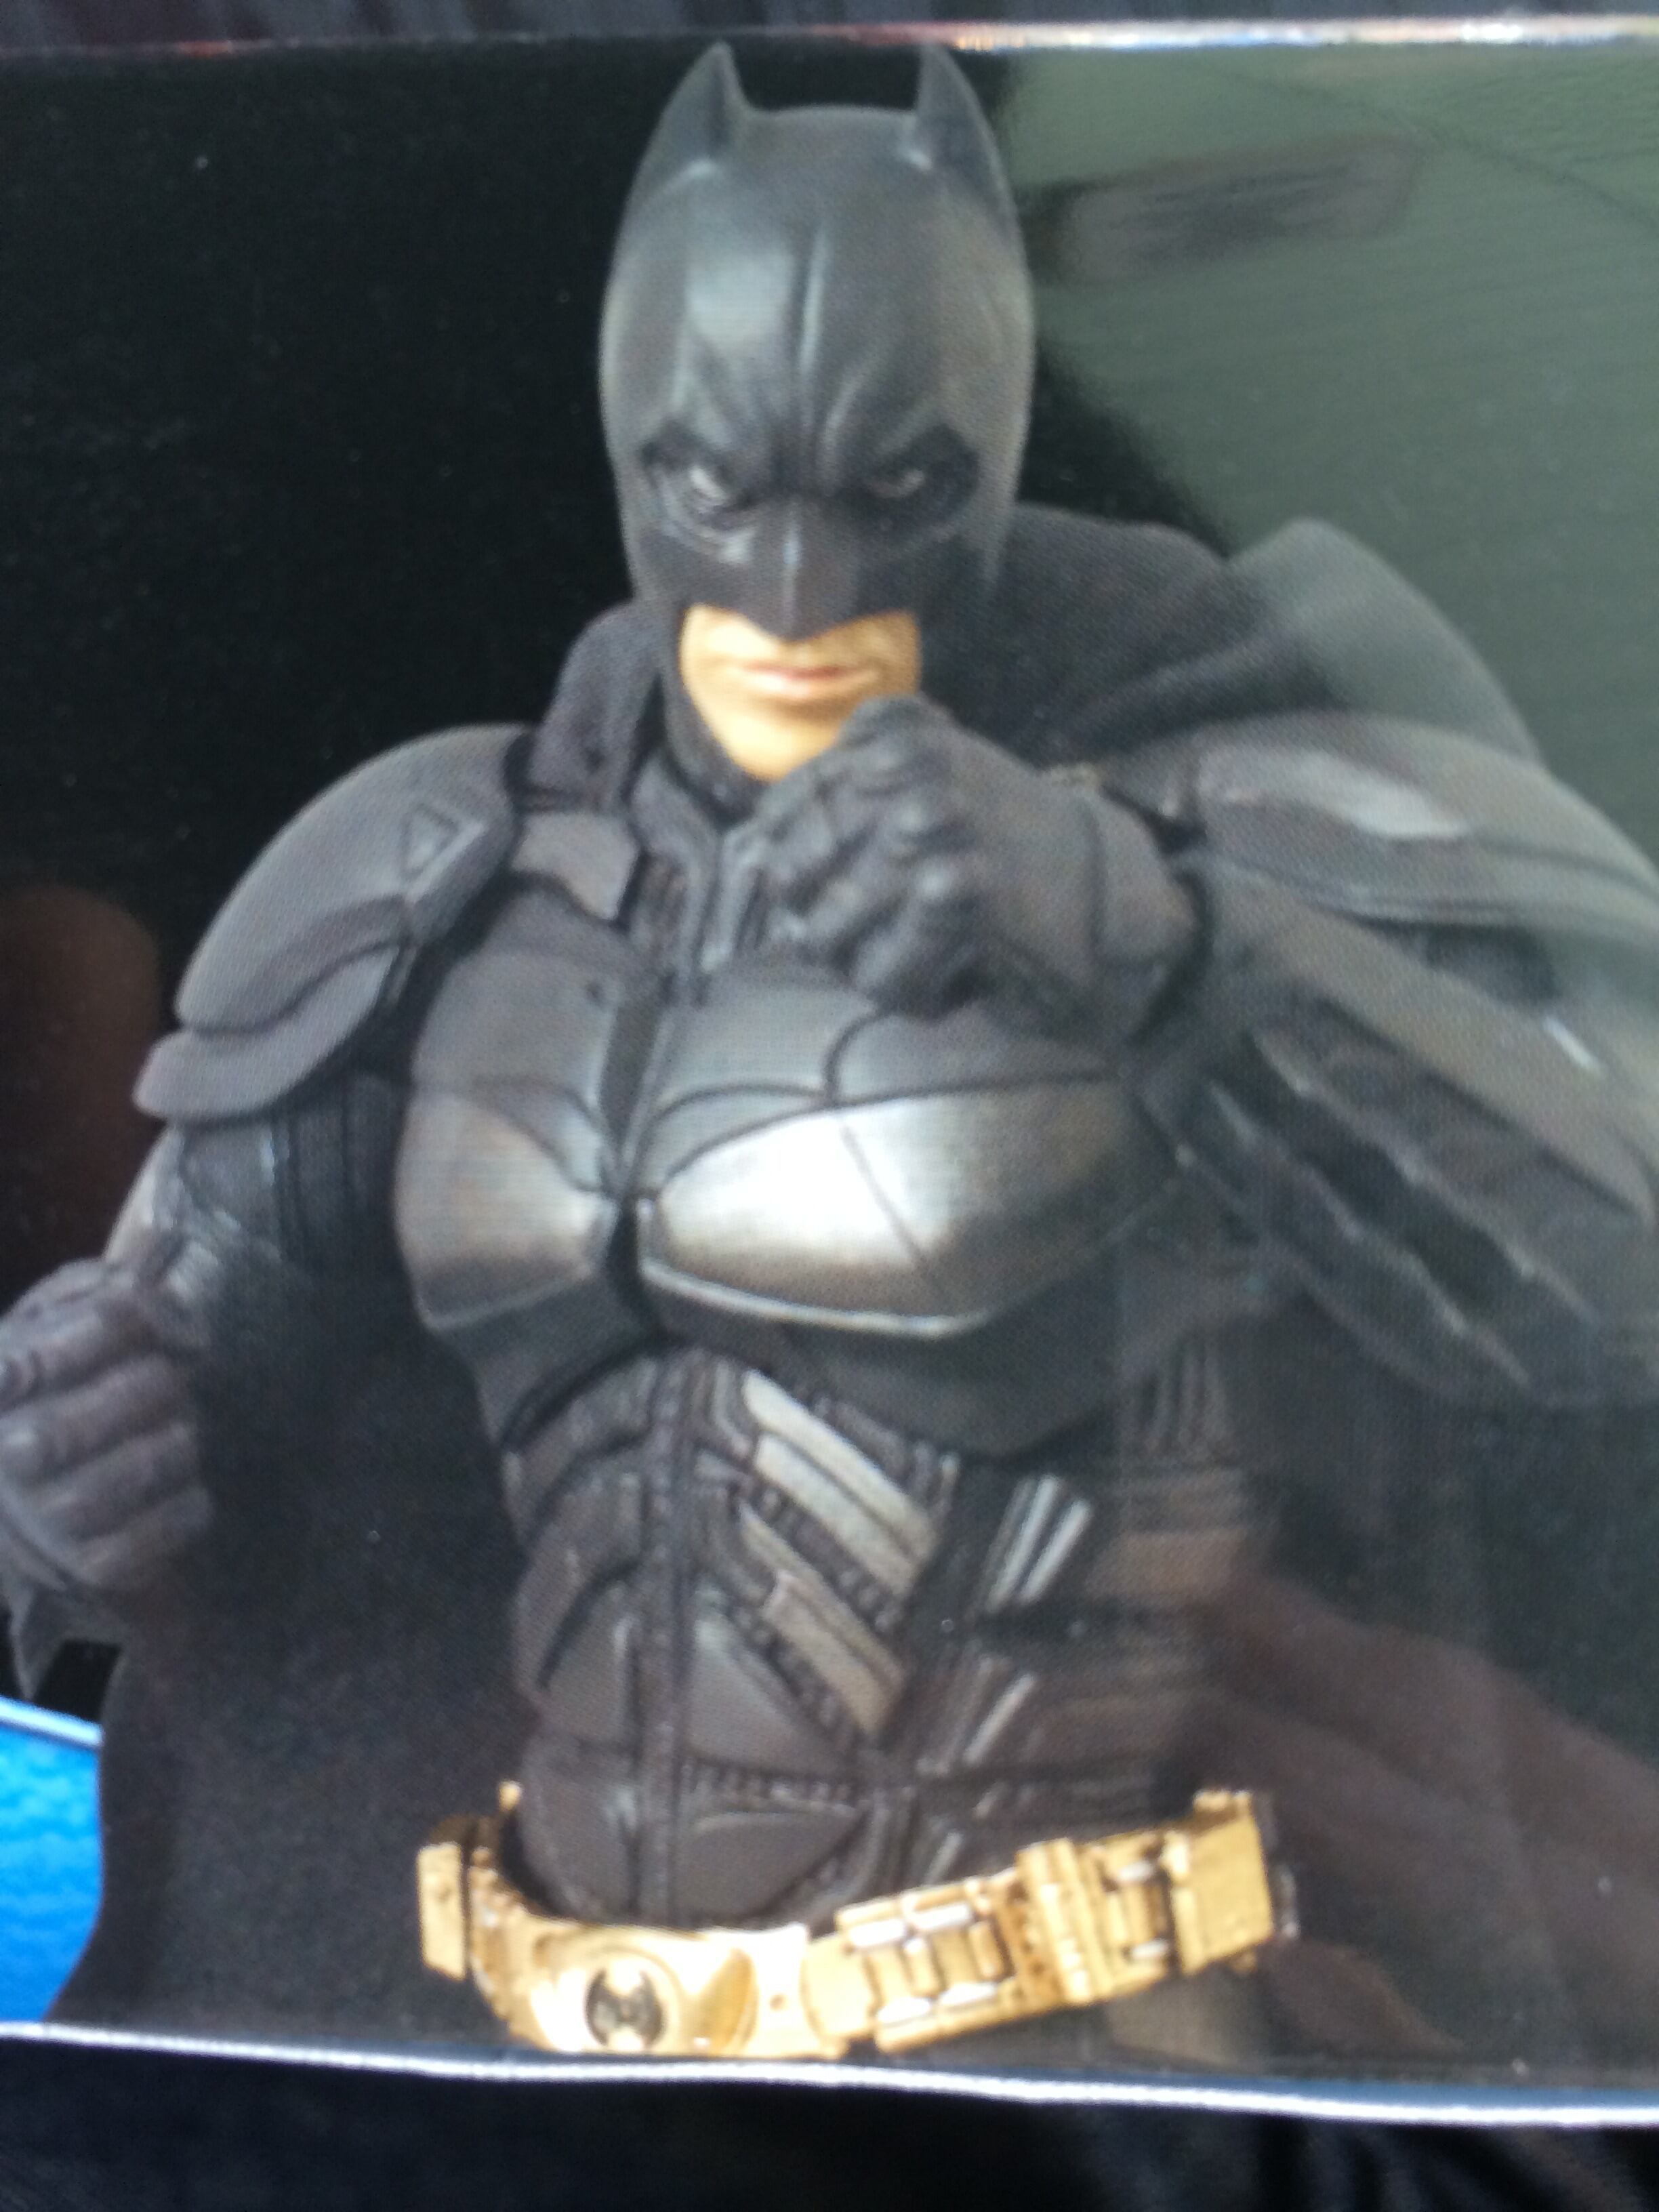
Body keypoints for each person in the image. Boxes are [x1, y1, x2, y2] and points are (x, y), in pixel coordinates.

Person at [5, 44, 1659, 2061]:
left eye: (895, 490)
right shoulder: (443, 876)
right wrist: (68, 1485)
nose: (793, 591)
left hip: (1086, 2057)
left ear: (1001, 445)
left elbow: (1609, 1314)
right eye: (718, 487)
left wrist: (1151, 943)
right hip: (500, 2045)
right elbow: (161, 1438)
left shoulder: (1233, 822)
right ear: (631, 448)